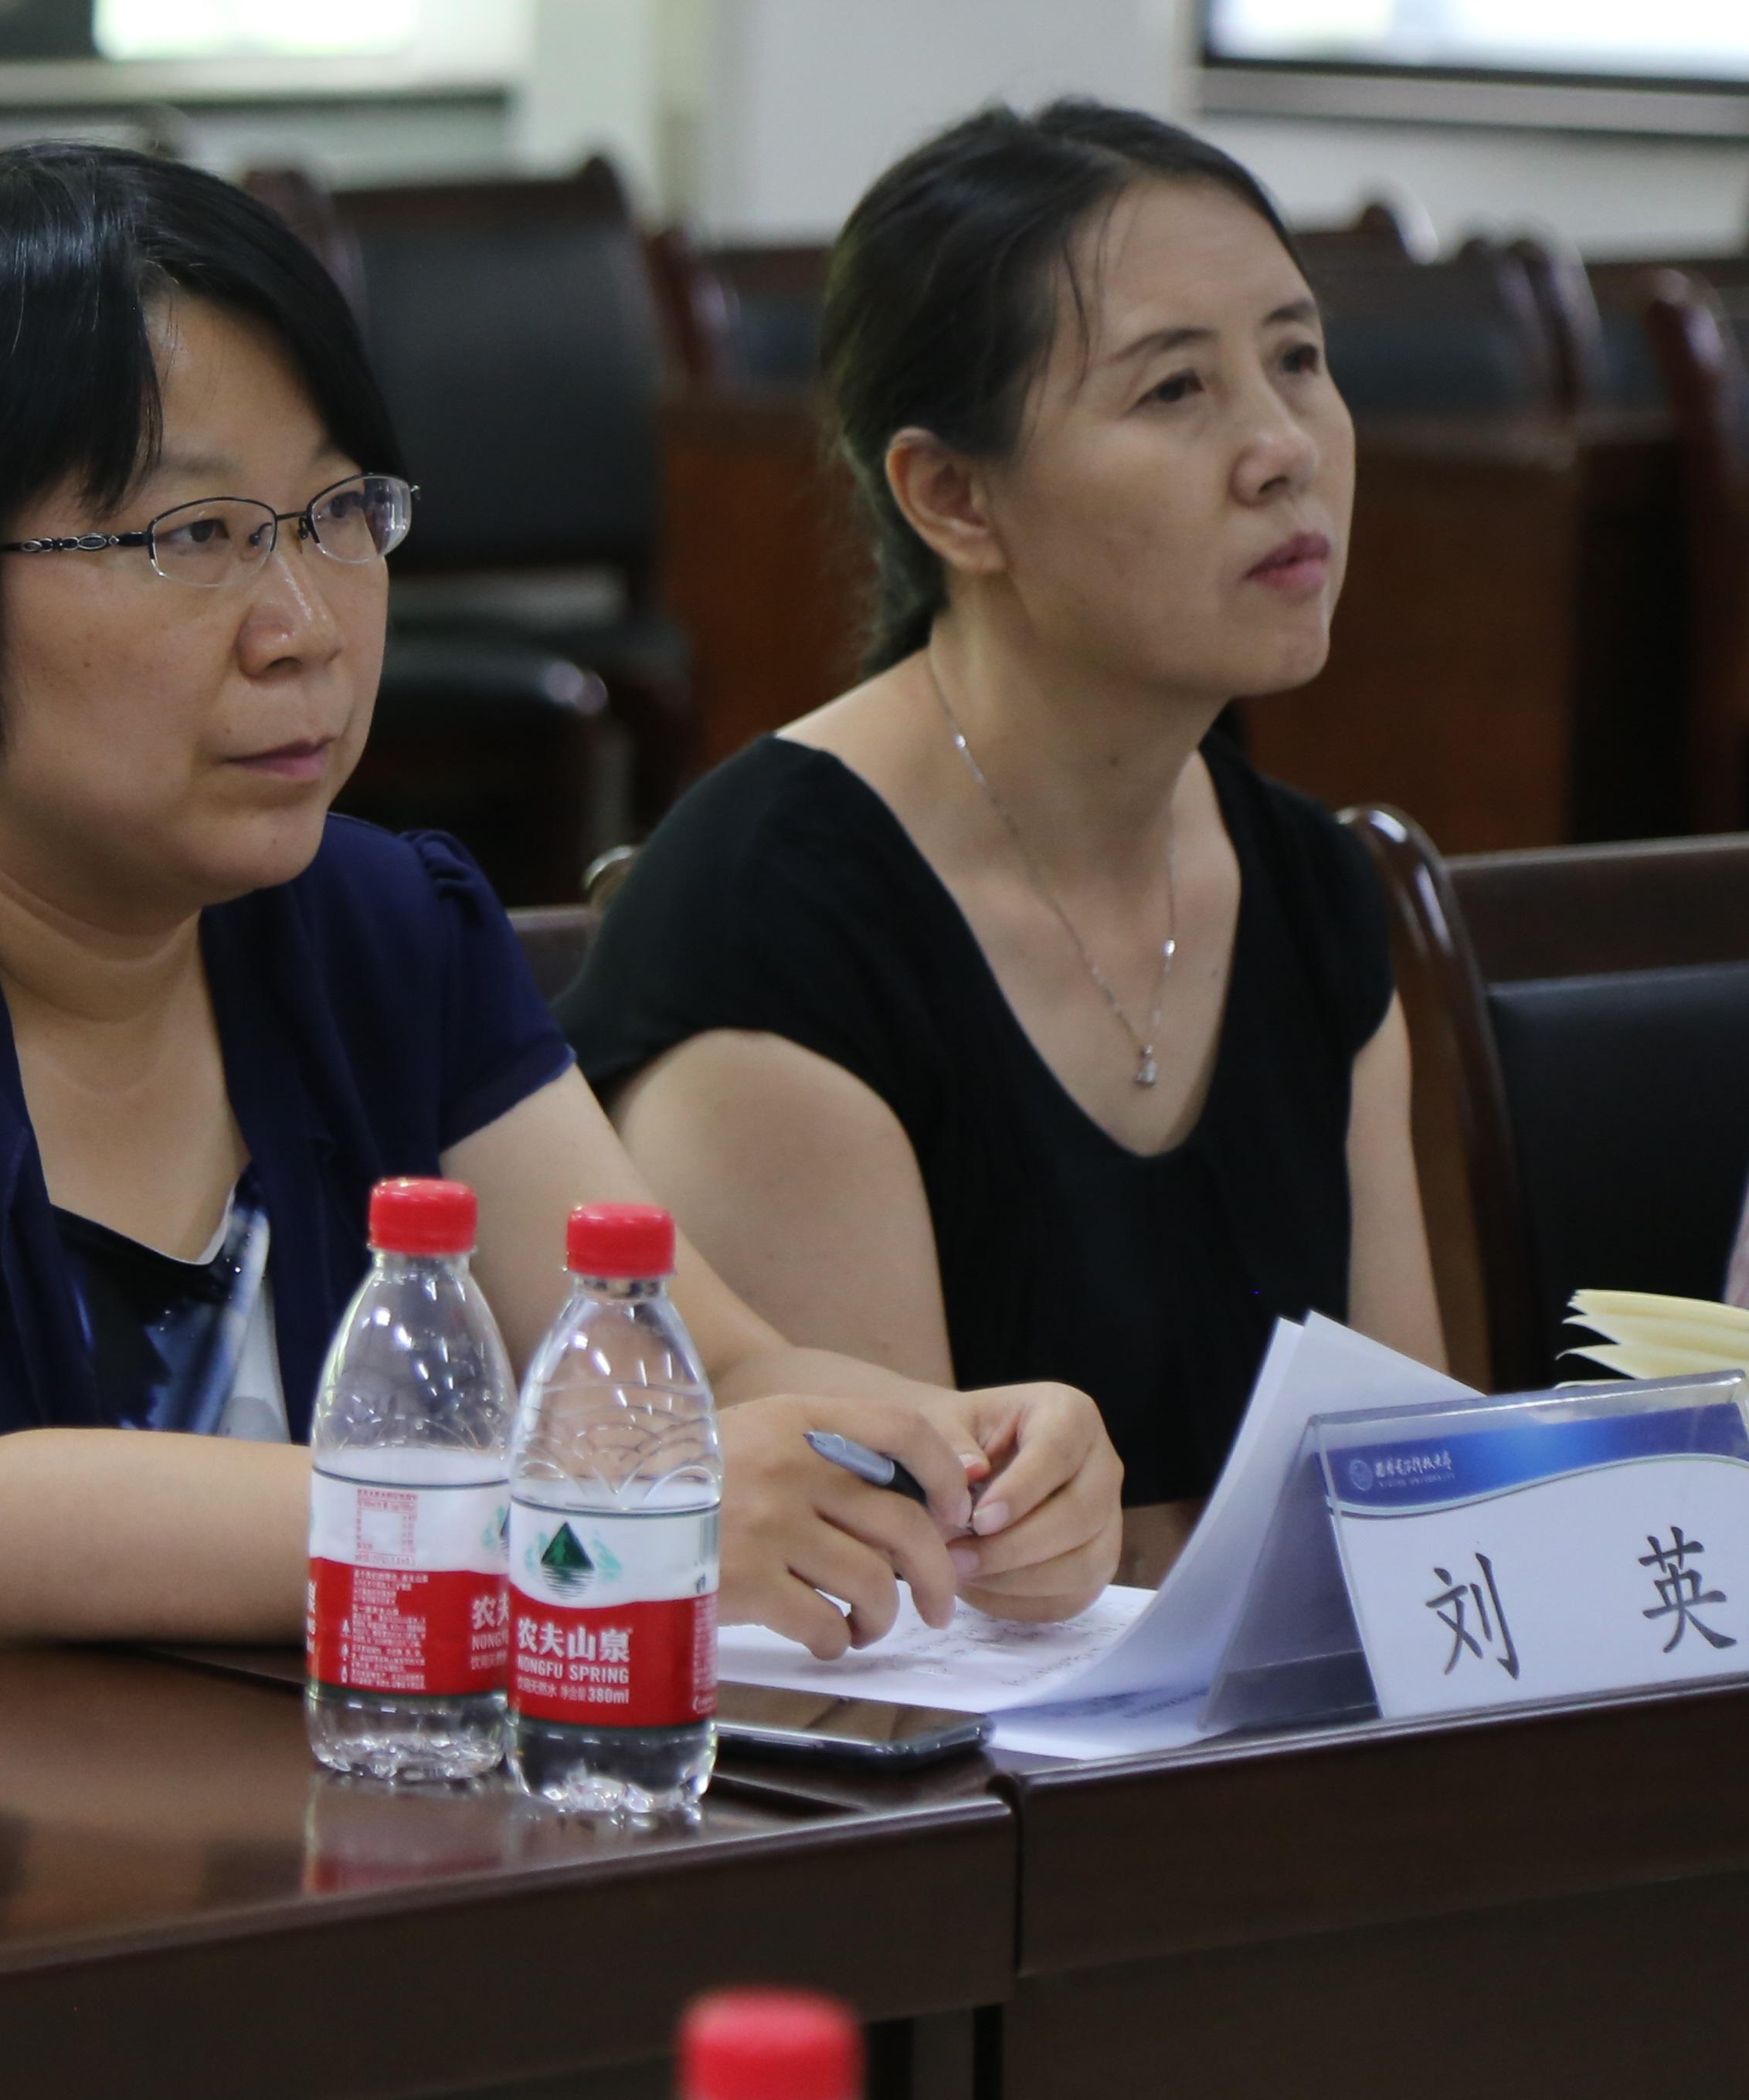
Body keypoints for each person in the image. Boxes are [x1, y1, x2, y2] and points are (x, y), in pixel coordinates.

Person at [0, 144, 1123, 1673]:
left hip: (292, 1849)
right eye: (194, 537)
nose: (305, 623)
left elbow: (698, 1374)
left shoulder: (373, 929)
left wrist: (949, 1454)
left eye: (336, 514)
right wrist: (583, 1524)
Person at [557, 101, 1449, 1576]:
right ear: (953, 497)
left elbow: (1407, 1503)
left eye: (1297, 359)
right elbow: (897, 1605)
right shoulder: (773, 929)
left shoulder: (1307, 884)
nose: (1286, 449)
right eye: (1176, 389)